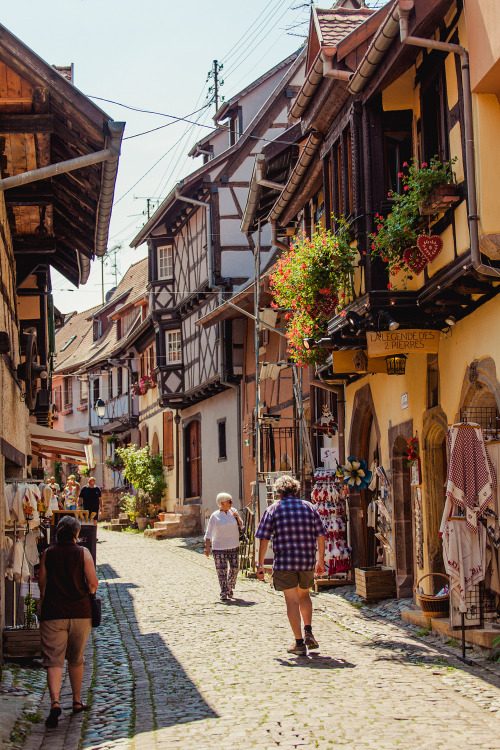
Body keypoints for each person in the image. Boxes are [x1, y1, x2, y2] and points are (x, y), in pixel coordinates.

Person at [38, 515, 98, 728]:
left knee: (53, 660)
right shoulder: (83, 553)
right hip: (80, 612)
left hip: (53, 613)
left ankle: (54, 702)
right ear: (76, 533)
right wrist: (86, 591)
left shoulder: (48, 553)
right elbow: (93, 583)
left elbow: (42, 583)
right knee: (76, 658)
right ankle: (76, 701)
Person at [256, 475, 326, 655]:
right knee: (304, 595)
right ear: (296, 490)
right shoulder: (309, 507)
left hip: (285, 562)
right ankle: (308, 630)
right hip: (306, 561)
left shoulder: (273, 509)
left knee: (292, 600)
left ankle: (299, 643)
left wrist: (260, 564)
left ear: (278, 492)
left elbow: (264, 538)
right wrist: (320, 561)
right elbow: (321, 534)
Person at [205, 493, 243, 601]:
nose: (232, 503)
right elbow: (209, 533)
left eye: (231, 501)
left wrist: (237, 517)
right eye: (229, 501)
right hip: (219, 547)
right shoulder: (215, 516)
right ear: (222, 503)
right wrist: (207, 548)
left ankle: (230, 586)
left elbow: (242, 525)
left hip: (234, 545)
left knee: (235, 569)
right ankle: (223, 591)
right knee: (222, 570)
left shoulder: (233, 512)